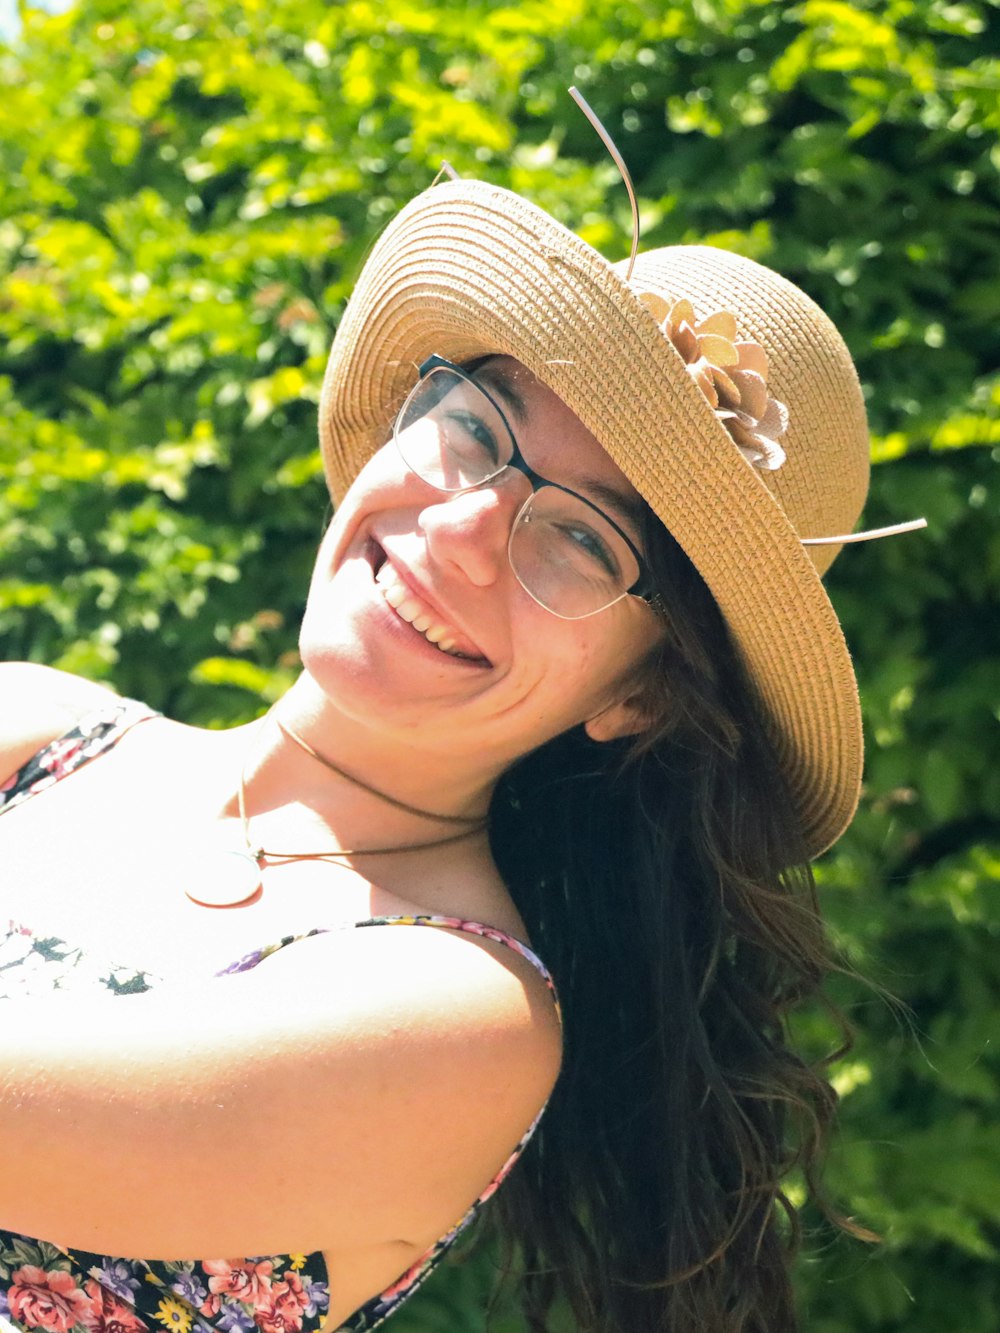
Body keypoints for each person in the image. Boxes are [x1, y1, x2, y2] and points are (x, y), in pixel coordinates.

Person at [0, 149, 923, 1332]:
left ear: (639, 698)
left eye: (586, 541)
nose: (464, 524)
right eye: (476, 426)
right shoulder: (42, 729)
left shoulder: (457, 1014)